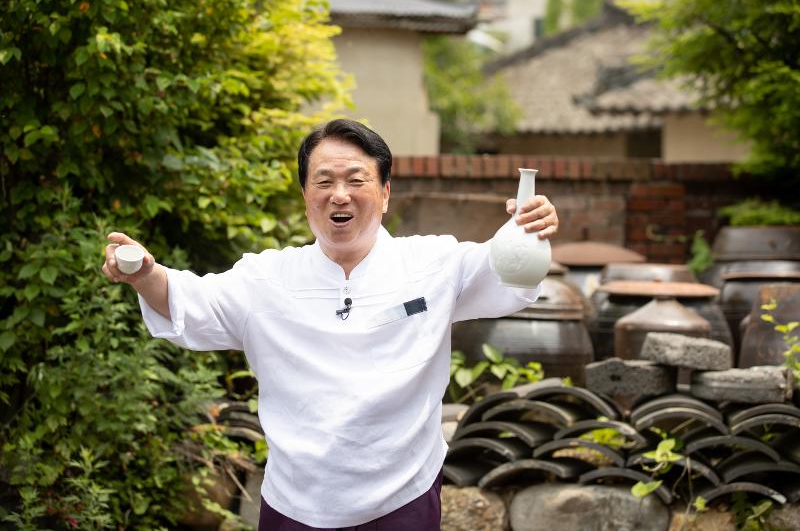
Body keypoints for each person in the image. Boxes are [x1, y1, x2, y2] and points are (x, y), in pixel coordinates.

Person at [102, 119, 558, 530]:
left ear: (384, 193)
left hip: (403, 498)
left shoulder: (434, 262)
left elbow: (508, 265)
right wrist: (145, 274)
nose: (339, 194)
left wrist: (527, 226)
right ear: (306, 198)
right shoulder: (266, 276)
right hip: (295, 502)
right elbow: (190, 299)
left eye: (356, 180)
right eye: (324, 181)